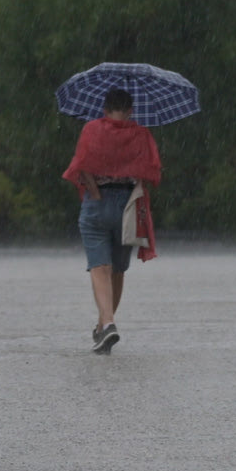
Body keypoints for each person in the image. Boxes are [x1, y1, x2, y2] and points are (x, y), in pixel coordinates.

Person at [62, 88, 161, 354]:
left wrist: (94, 192)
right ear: (131, 110)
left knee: (99, 267)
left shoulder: (92, 130)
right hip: (128, 207)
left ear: (104, 109)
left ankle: (106, 323)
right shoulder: (141, 133)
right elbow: (150, 172)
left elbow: (81, 164)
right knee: (117, 269)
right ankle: (104, 326)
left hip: (97, 203)